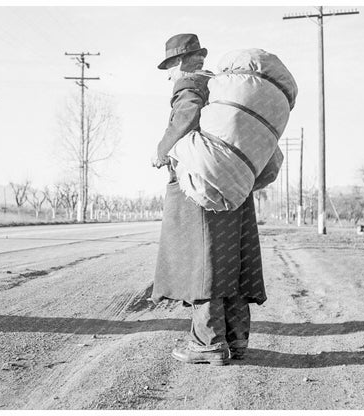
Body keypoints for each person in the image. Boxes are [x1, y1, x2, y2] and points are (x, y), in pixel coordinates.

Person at [151, 33, 266, 366]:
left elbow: (186, 116)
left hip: (201, 192)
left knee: (202, 264)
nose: (169, 75)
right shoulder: (221, 87)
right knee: (232, 263)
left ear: (178, 63)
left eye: (169, 67)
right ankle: (237, 340)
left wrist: (161, 150)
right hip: (234, 189)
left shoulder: (189, 86)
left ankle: (207, 344)